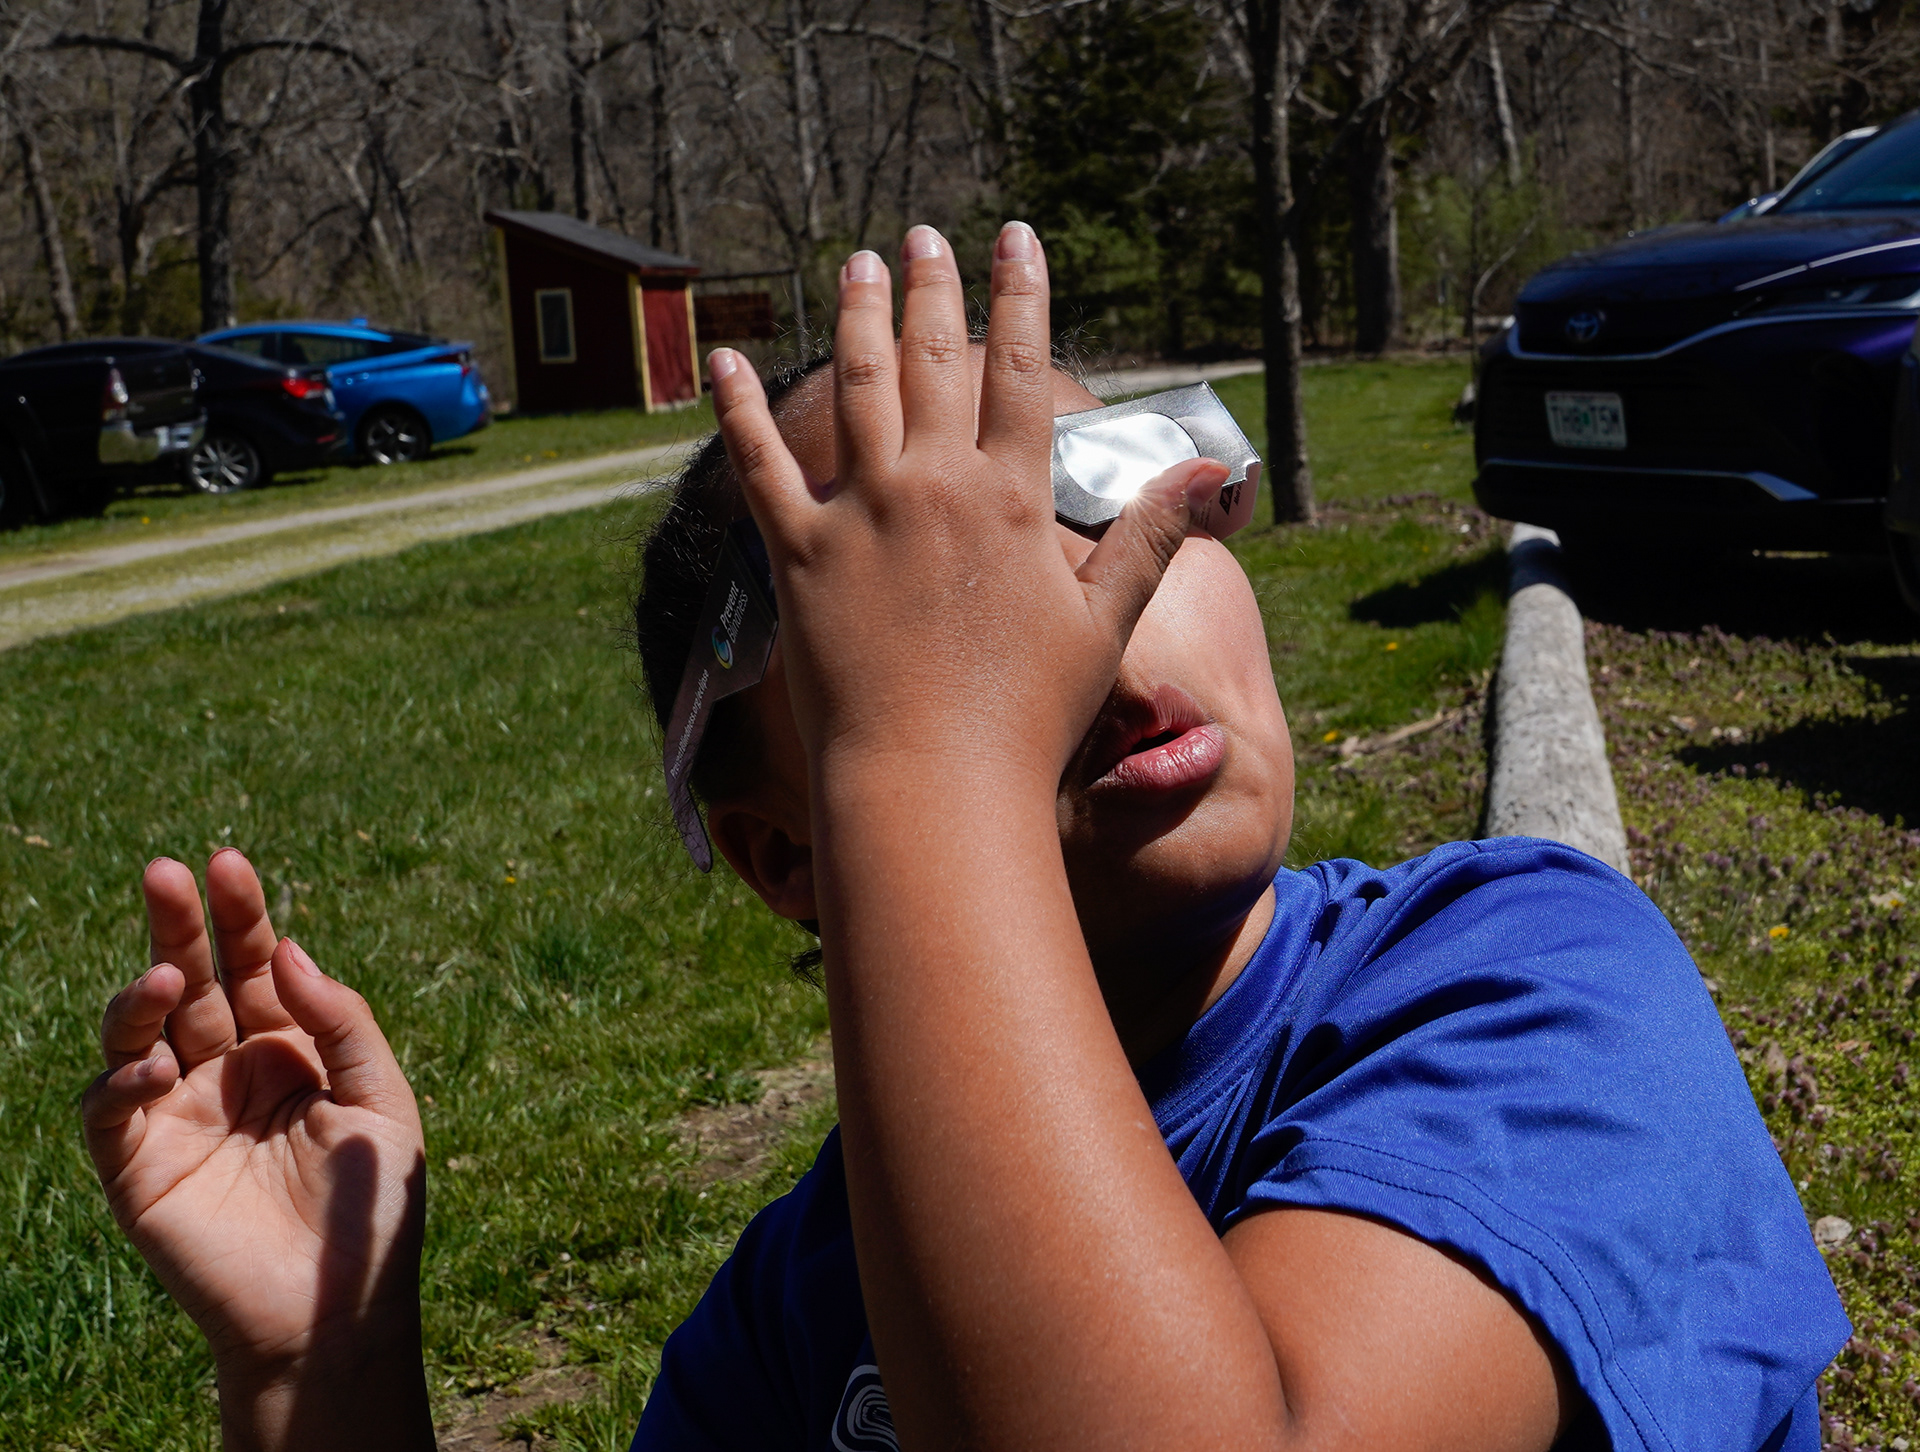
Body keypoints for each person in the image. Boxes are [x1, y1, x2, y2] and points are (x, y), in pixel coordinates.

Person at [82, 223, 1845, 1452]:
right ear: (786, 859)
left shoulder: (1520, 978)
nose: (1081, 610)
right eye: (931, 604)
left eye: (1113, 499)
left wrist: (921, 757)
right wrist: (329, 1380)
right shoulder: (799, 1308)